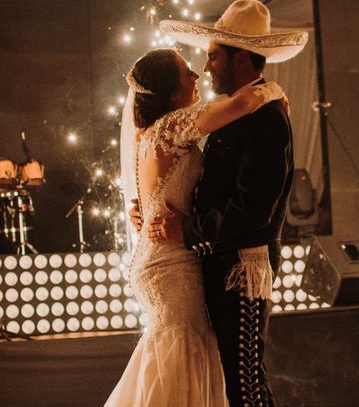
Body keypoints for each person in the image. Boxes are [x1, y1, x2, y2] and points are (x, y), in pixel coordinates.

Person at [148, 0, 308, 407]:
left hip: (242, 268)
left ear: (240, 60)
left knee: (245, 385)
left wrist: (188, 230)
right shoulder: (238, 111)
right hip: (219, 264)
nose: (206, 68)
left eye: (214, 57)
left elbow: (253, 207)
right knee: (231, 383)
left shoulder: (267, 117)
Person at [106, 47, 288, 407]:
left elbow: (160, 194)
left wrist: (141, 210)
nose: (197, 74)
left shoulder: (151, 135)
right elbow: (238, 105)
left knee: (181, 362)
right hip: (172, 265)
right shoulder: (172, 127)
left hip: (161, 260)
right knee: (182, 362)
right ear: (171, 92)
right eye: (186, 72)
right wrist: (273, 90)